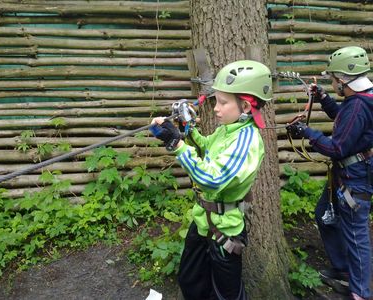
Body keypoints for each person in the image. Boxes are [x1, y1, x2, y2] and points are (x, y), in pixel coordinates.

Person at [149, 60, 272, 300]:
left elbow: (213, 179)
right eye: (216, 100)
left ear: (246, 106)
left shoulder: (247, 141)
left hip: (224, 230)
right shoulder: (227, 129)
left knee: (227, 295)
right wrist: (185, 131)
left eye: (223, 102)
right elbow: (206, 149)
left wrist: (177, 145)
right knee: (190, 280)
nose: (216, 108)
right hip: (203, 221)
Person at [286, 46, 373, 300]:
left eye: (333, 79)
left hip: (354, 178)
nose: (332, 82)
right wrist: (324, 97)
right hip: (348, 174)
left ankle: (361, 293)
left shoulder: (359, 105)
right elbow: (345, 120)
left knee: (357, 237)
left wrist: (307, 133)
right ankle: (342, 269)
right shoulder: (362, 99)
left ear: (343, 79)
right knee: (324, 215)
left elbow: (337, 147)